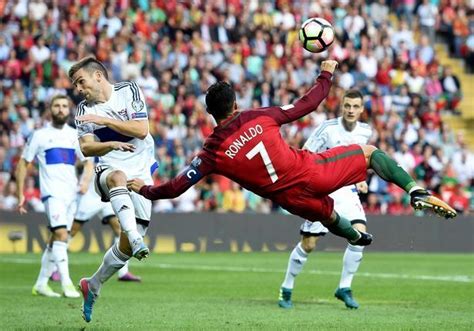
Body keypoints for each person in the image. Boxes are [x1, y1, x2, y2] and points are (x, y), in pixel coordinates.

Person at [128, 60, 455, 245]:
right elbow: (308, 103)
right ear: (236, 104)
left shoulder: (211, 152)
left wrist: (142, 188)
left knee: (328, 216)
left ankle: (356, 237)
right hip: (311, 171)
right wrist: (326, 73)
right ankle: (415, 190)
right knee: (368, 153)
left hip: (289, 200)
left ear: (211, 114)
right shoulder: (258, 116)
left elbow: (174, 188)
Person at [69, 56, 157, 322]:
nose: (78, 89)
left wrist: (105, 122)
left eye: (80, 81)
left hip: (141, 170)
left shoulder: (128, 90)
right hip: (109, 167)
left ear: (98, 76)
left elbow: (141, 130)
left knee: (127, 247)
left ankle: (93, 284)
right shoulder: (83, 109)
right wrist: (110, 145)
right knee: (117, 176)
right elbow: (86, 147)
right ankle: (135, 236)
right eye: (75, 84)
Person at [278, 90, 373, 310]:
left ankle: (345, 287)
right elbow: (305, 154)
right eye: (347, 106)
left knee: (359, 234)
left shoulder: (365, 132)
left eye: (355, 107)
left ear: (361, 109)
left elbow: (360, 161)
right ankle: (287, 286)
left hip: (347, 192)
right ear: (342, 106)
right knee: (309, 244)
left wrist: (361, 180)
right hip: (323, 190)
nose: (350, 110)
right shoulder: (327, 129)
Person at [16, 94, 83, 298]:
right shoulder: (40, 135)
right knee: (62, 234)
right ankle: (67, 283)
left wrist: (86, 180)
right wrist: (20, 194)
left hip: (72, 195)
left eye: (64, 106)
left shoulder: (75, 135)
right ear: (50, 109)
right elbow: (23, 163)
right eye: (57, 106)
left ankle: (41, 284)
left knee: (57, 238)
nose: (61, 109)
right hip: (51, 193)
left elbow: (86, 161)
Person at [69, 157, 141, 282]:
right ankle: (54, 268)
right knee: (72, 230)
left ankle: (123, 272)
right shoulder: (88, 142)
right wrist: (84, 180)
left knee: (120, 228)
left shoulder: (111, 144)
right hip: (89, 195)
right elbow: (81, 163)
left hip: (107, 194)